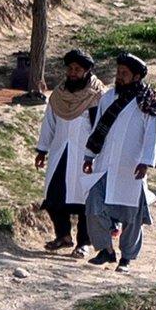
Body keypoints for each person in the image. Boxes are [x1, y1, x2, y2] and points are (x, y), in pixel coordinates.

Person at [81, 53, 156, 273]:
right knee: (94, 205)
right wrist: (89, 156)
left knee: (132, 217)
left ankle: (126, 257)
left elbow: (152, 134)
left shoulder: (147, 101)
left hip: (131, 168)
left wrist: (146, 161)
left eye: (124, 74)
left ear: (136, 76)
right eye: (118, 73)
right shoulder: (108, 97)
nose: (119, 77)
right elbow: (98, 129)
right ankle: (105, 250)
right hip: (105, 165)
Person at [34, 50, 103, 253]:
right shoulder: (59, 95)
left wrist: (96, 153)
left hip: (86, 156)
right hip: (60, 153)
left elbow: (101, 128)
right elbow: (49, 124)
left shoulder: (96, 96)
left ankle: (84, 243)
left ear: (87, 71)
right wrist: (42, 150)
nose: (72, 73)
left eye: (77, 69)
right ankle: (63, 236)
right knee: (54, 196)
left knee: (85, 202)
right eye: (70, 69)